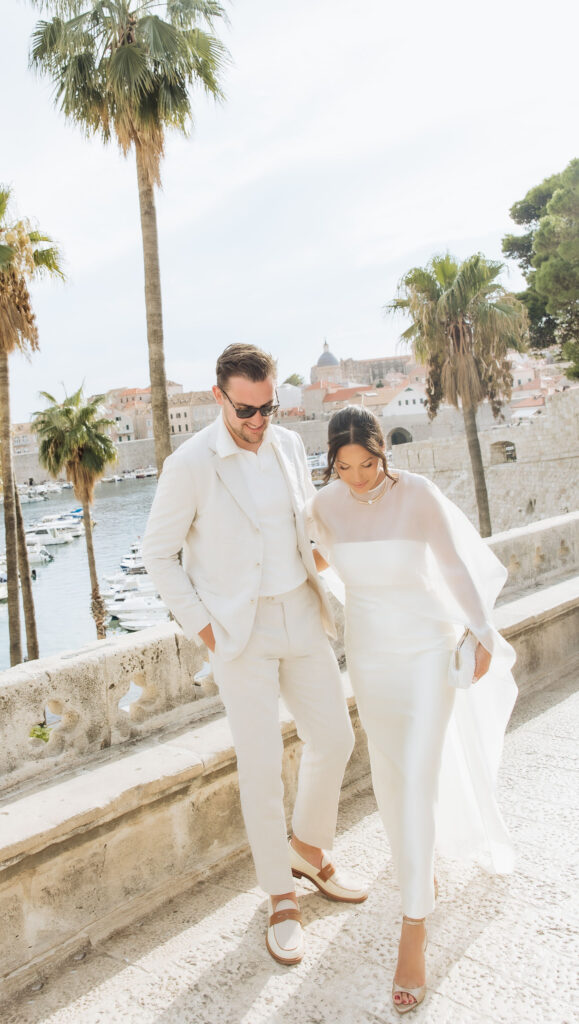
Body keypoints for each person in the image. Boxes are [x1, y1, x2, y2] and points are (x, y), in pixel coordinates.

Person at [142, 344, 367, 966]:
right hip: (238, 634)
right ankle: (280, 895)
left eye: (269, 406)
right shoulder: (189, 464)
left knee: (336, 739)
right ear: (220, 397)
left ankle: (309, 851)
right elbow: (157, 554)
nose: (260, 420)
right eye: (247, 409)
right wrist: (206, 632)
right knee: (262, 766)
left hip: (301, 609)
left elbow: (304, 529)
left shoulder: (290, 447)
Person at [310, 406, 517, 1014]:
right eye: (344, 467)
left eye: (367, 464)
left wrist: (479, 631)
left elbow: (454, 566)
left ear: (383, 451)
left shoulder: (418, 494)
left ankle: (413, 931)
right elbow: (308, 561)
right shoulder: (323, 507)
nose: (358, 478)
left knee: (419, 777)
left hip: (428, 649)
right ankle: (416, 868)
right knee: (392, 781)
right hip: (370, 657)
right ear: (332, 462)